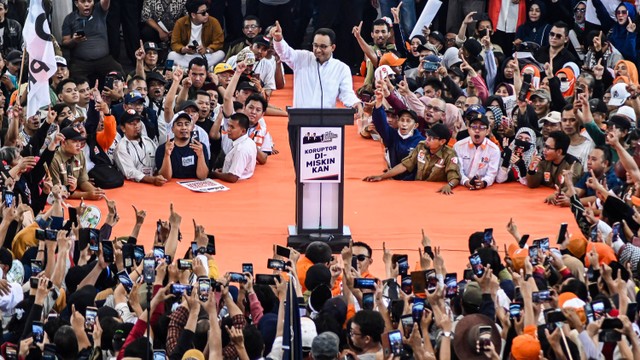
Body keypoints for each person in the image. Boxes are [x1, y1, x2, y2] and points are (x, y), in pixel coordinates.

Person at [270, 22, 363, 155]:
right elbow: (285, 54)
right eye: (315, 45)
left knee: (323, 169)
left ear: (333, 47)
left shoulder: (341, 68)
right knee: (300, 168)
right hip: (298, 122)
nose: (318, 50)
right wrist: (279, 39)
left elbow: (346, 92)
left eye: (323, 46)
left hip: (326, 125)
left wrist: (355, 103)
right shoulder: (302, 58)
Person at [364, 123, 461, 194]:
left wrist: (450, 185)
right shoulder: (421, 146)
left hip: (435, 193)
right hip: (417, 190)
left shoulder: (450, 154)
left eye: (431, 138)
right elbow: (405, 165)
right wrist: (382, 176)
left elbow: (454, 177)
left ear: (442, 141)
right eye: (427, 136)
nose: (426, 140)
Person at [61, 0, 124, 84]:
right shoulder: (69, 19)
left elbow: (106, 1)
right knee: (74, 80)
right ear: (76, 3)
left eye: (89, 1)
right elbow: (65, 42)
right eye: (83, 2)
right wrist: (74, 40)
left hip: (104, 60)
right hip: (81, 62)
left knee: (119, 72)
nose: (86, 4)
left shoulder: (99, 10)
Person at [526, 130, 583, 203]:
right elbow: (532, 184)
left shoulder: (573, 164)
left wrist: (556, 194)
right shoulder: (542, 160)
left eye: (548, 148)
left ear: (559, 151)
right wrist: (531, 170)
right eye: (544, 146)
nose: (544, 150)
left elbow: (571, 187)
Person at [50, 126, 105, 200]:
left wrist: (94, 190)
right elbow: (57, 191)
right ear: (63, 143)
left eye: (79, 141)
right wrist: (86, 195)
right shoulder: (54, 159)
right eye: (74, 141)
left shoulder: (80, 154)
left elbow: (82, 180)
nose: (79, 145)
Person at [114, 110, 167, 186]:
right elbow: (130, 172)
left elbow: (158, 164)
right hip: (133, 187)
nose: (136, 126)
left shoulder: (149, 141)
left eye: (138, 122)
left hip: (154, 184)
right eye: (132, 123)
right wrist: (152, 179)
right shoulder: (121, 148)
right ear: (123, 128)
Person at [168, 0, 225, 68]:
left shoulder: (213, 22)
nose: (207, 14)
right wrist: (183, 49)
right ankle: (203, 68)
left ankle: (191, 68)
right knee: (171, 55)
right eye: (203, 13)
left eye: (207, 11)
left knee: (221, 54)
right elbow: (174, 43)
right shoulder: (180, 22)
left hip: (206, 56)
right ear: (193, 15)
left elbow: (219, 42)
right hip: (187, 56)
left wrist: (207, 49)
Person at [454, 111, 501, 190]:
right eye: (474, 127)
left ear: (487, 131)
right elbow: (457, 169)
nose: (477, 131)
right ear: (468, 129)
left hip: (483, 190)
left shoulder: (494, 149)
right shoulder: (458, 146)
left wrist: (484, 182)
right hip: (461, 186)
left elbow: (491, 174)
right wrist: (465, 181)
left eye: (482, 128)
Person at [155, 112, 209, 180]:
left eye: (187, 124)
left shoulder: (200, 147)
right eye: (179, 124)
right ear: (172, 129)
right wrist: (167, 155)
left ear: (192, 128)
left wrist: (200, 155)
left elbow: (203, 176)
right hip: (172, 188)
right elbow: (165, 178)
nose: (184, 128)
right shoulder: (162, 148)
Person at [209, 113, 256, 183]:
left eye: (232, 127)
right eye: (228, 126)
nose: (228, 129)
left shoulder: (240, 149)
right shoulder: (249, 141)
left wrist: (216, 174)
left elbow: (233, 177)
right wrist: (224, 170)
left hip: (234, 187)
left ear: (243, 131)